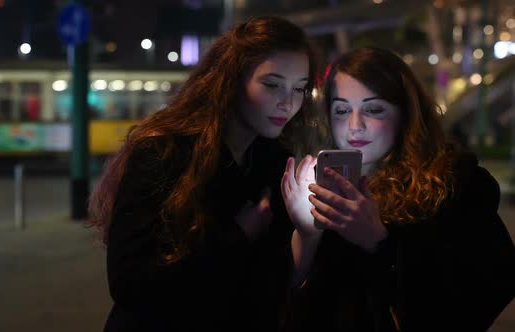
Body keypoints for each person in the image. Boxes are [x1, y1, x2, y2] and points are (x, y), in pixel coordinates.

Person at [88, 16, 318, 331]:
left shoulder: (277, 162)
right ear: (231, 81)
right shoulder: (165, 152)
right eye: (272, 84)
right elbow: (130, 283)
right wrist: (238, 236)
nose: (288, 102)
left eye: (300, 88)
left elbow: (274, 285)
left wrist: (308, 231)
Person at [281, 47, 515, 331]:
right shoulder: (320, 185)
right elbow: (282, 300)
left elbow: (481, 293)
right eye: (342, 110)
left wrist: (379, 242)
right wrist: (307, 234)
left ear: (404, 113)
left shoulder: (457, 184)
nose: (355, 126)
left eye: (373, 109)